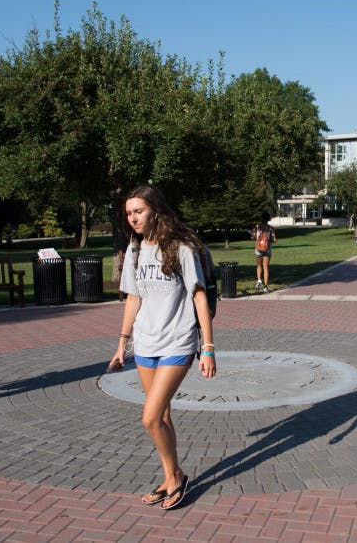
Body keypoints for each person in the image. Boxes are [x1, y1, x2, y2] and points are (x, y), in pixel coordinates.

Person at [108, 185, 216, 510]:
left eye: (137, 211)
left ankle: (176, 477)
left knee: (150, 417)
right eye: (128, 214)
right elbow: (133, 298)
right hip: (145, 344)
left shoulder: (181, 247)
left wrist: (208, 346)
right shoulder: (135, 250)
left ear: (154, 209)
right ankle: (172, 477)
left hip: (177, 341)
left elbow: (198, 295)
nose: (132, 219)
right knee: (162, 417)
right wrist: (121, 344)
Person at [251, 220, 276, 293]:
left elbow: (252, 237)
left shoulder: (257, 227)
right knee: (265, 267)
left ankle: (259, 280)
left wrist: (255, 233)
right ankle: (265, 287)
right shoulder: (271, 228)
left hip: (258, 249)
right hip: (267, 250)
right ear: (268, 219)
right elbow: (274, 240)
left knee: (259, 266)